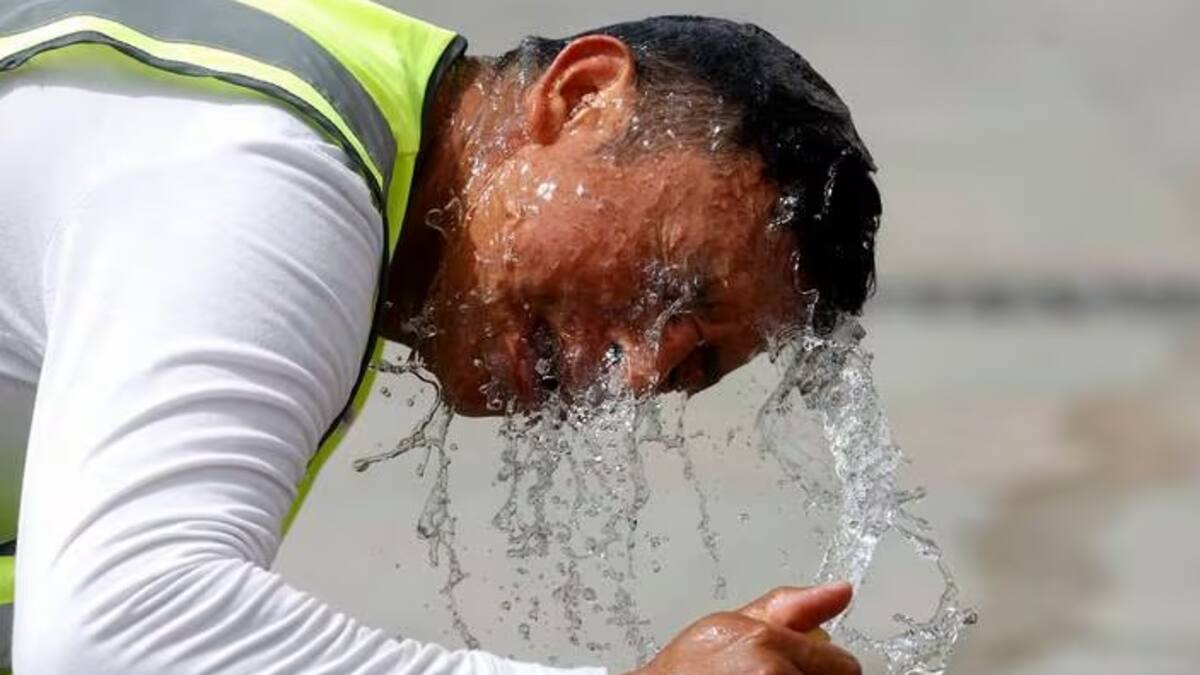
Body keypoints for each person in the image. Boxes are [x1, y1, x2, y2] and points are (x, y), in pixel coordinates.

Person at [0, 1, 879, 673]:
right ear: (581, 98)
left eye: (694, 365)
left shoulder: (328, 114)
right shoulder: (278, 168)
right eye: (667, 282)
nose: (637, 370)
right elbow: (114, 635)